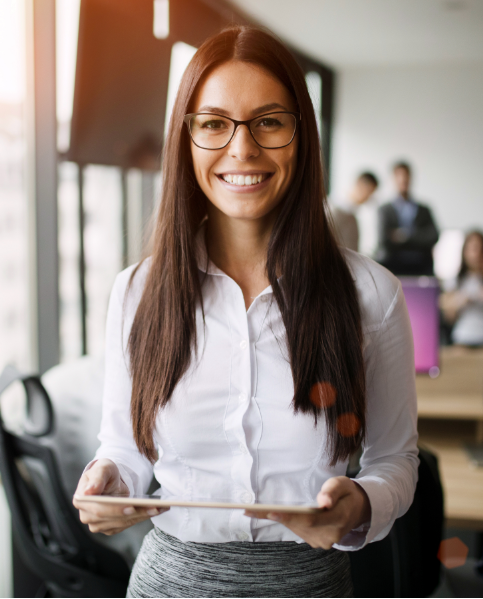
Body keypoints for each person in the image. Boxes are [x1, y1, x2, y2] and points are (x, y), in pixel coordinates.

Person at [73, 26, 418, 598]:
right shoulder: (137, 291)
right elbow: (125, 450)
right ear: (185, 140)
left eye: (269, 121)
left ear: (301, 136)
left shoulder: (370, 293)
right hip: (169, 581)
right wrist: (109, 480)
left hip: (309, 583)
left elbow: (395, 461)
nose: (242, 149)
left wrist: (359, 502)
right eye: (213, 124)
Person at [377, 161, 439, 276]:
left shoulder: (424, 209)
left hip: (421, 265)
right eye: (399, 176)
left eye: (406, 176)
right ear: (393, 179)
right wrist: (419, 237)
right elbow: (384, 240)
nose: (403, 180)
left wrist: (404, 236)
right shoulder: (385, 210)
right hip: (393, 265)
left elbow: (434, 236)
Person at [440, 231, 483, 346]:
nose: (476, 254)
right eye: (473, 249)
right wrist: (463, 299)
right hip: (462, 338)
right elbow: (448, 316)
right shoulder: (456, 281)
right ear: (464, 252)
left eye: (480, 249)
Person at [331, 172, 379, 254]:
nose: (368, 198)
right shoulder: (335, 210)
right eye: (369, 192)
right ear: (359, 185)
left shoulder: (352, 215)